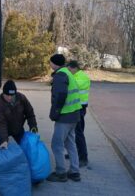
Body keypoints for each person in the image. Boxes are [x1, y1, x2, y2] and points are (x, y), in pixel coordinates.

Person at [47, 54, 82, 183]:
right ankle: (74, 172)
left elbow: (60, 96)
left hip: (65, 117)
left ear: (55, 63)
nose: (49, 64)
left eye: (50, 62)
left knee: (57, 144)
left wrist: (54, 113)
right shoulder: (67, 72)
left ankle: (61, 173)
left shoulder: (60, 75)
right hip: (74, 115)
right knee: (70, 143)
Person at [0, 80, 38, 149]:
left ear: (15, 93)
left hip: (18, 129)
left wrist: (33, 126)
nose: (9, 98)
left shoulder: (21, 98)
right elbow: (0, 123)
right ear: (3, 93)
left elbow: (30, 113)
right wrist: (4, 140)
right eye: (7, 95)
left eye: (12, 95)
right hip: (2, 130)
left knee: (26, 148)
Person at [67, 60, 91, 167]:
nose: (68, 72)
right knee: (74, 131)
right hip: (76, 107)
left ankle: (83, 158)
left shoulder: (82, 77)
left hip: (80, 108)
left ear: (74, 68)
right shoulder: (76, 75)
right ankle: (75, 153)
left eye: (69, 70)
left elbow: (73, 85)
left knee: (79, 132)